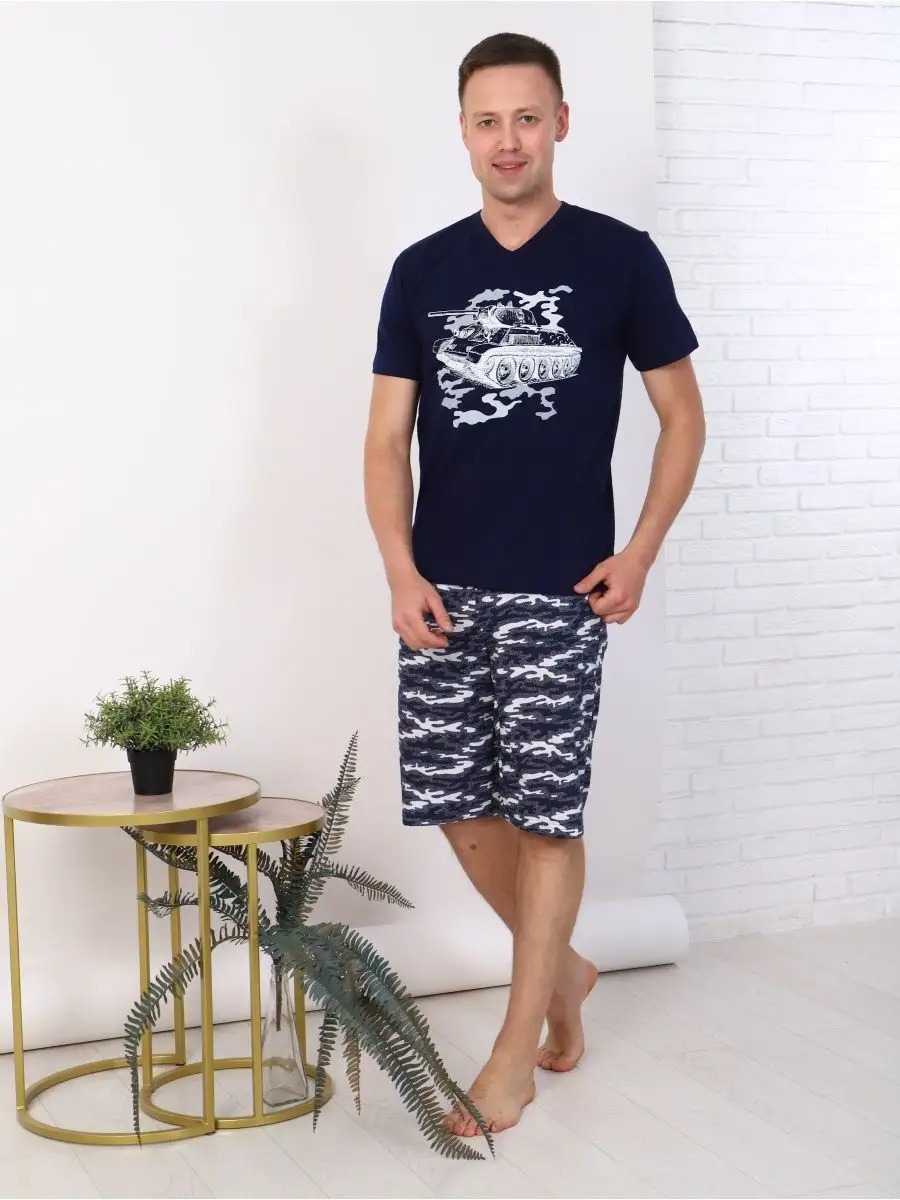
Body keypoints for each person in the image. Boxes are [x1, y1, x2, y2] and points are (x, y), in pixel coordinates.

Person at [363, 31, 706, 1137]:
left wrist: (638, 551)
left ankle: (513, 1056)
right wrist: (400, 568)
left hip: (563, 590)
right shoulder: (423, 270)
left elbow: (682, 417)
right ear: (462, 132)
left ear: (559, 123)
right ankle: (565, 973)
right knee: (461, 809)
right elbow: (386, 442)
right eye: (487, 120)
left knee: (547, 816)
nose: (506, 140)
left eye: (526, 117)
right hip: (443, 591)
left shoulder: (619, 258)